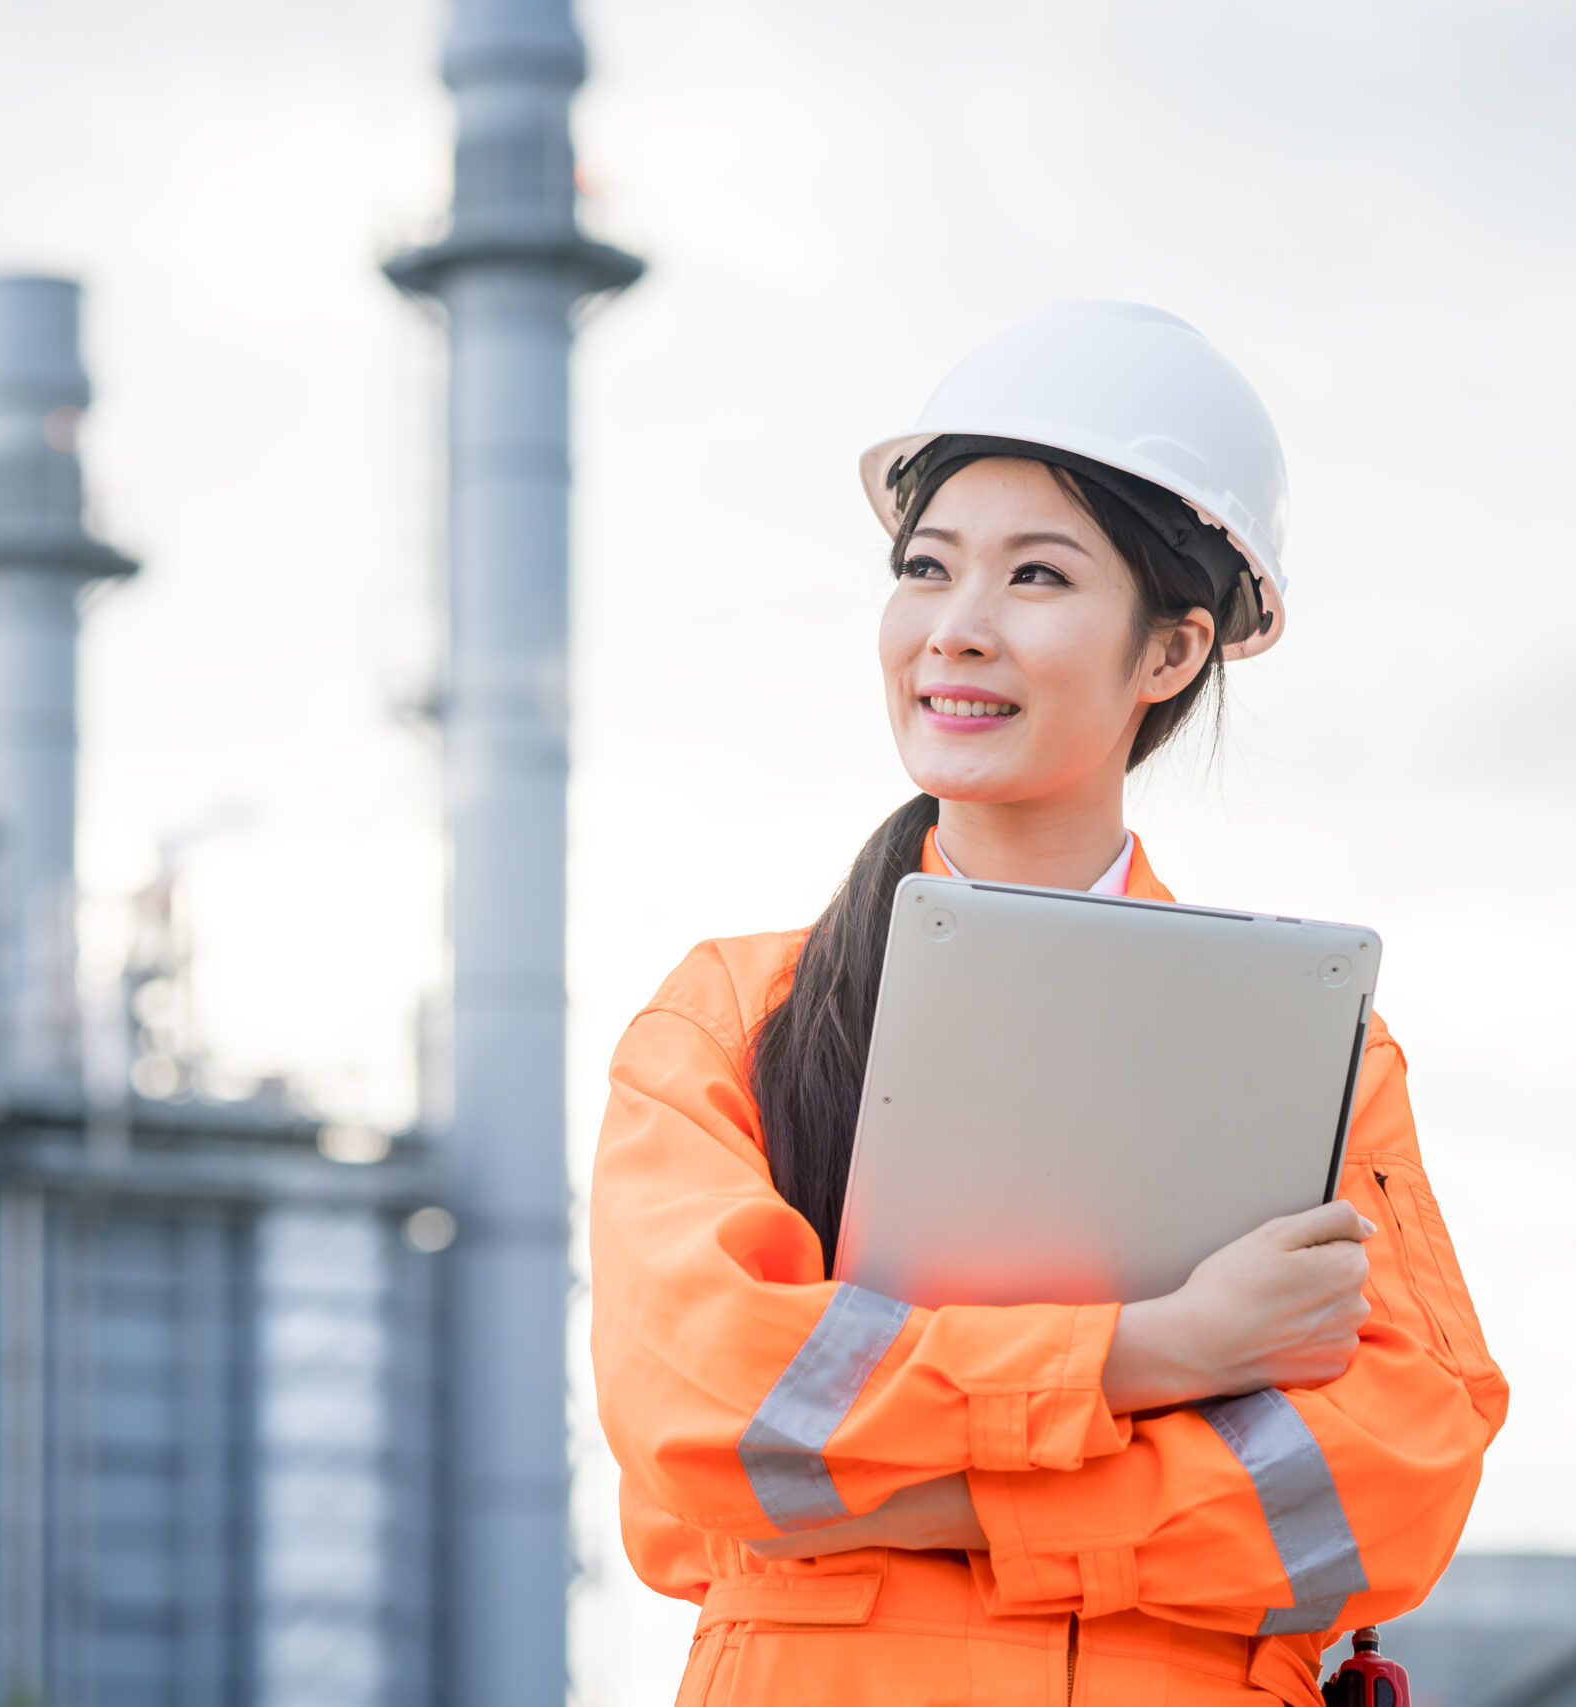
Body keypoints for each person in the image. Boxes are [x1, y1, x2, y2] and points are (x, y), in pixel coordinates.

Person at [589, 302, 1506, 1707]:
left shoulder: (1317, 1045)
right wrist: (1163, 1352)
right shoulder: (733, 1015)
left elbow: (1394, 1481)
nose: (956, 631)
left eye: (1036, 576)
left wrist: (910, 1504)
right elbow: (706, 1408)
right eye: (926, 568)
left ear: (1172, 653)